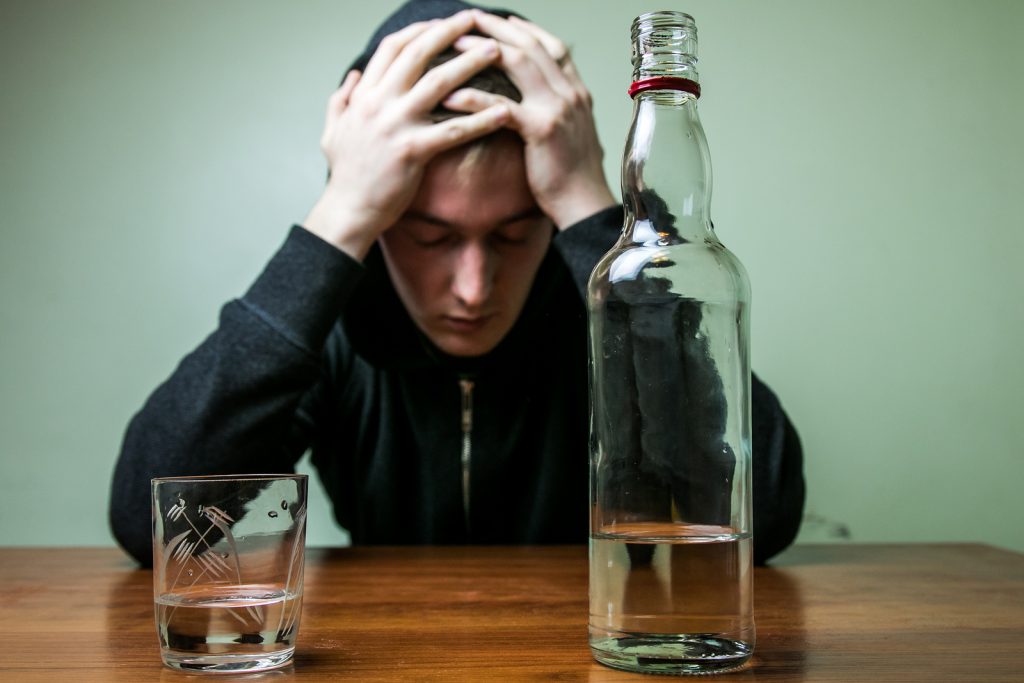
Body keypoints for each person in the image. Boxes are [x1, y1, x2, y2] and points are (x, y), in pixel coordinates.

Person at [109, 0, 805, 567]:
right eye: (429, 236)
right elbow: (153, 527)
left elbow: (765, 512)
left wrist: (596, 212)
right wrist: (337, 218)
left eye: (513, 232)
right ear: (379, 220)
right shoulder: (337, 322)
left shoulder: (601, 314)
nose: (474, 289)